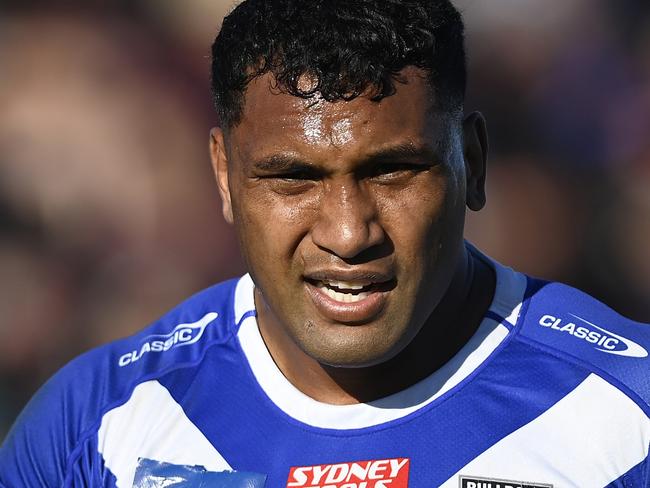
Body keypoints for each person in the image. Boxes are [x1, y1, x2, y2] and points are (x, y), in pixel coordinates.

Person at [1, 0, 649, 486]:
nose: (347, 233)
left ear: (471, 163)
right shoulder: (93, 428)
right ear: (225, 177)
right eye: (293, 179)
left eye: (393, 171)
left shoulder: (627, 419)